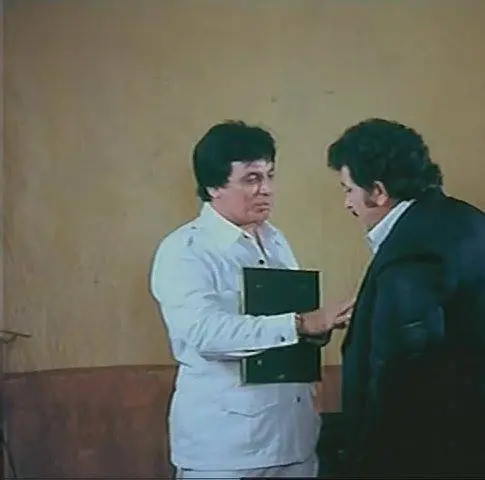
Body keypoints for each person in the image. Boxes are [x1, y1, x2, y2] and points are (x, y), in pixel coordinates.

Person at [150, 120, 353, 479]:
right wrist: (302, 324)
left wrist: (320, 329)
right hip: (226, 449)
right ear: (213, 186)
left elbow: (289, 325)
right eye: (251, 179)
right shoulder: (185, 250)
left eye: (270, 176)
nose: (266, 190)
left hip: (294, 438)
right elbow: (204, 333)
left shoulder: (276, 241)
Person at [326, 117, 485, 476]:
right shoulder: (469, 220)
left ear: (378, 191)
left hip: (423, 454)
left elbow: (400, 373)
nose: (347, 203)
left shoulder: (412, 251)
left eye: (349, 189)